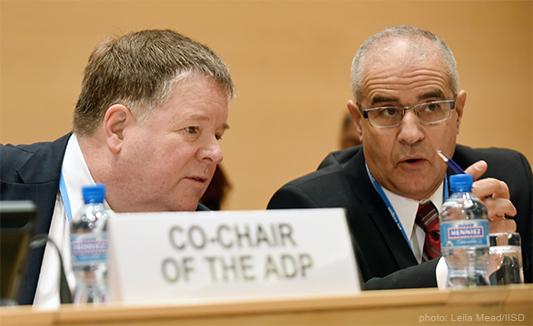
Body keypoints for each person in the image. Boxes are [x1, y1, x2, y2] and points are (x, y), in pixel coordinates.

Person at [268, 25, 532, 289]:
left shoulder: (507, 181)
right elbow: (339, 312)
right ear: (359, 121)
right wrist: (455, 266)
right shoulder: (310, 208)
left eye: (430, 107)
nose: (410, 134)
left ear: (458, 114)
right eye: (387, 111)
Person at [0, 29, 235, 306]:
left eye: (217, 135)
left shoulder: (216, 245)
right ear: (118, 128)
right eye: (192, 130)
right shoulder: (6, 181)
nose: (216, 154)